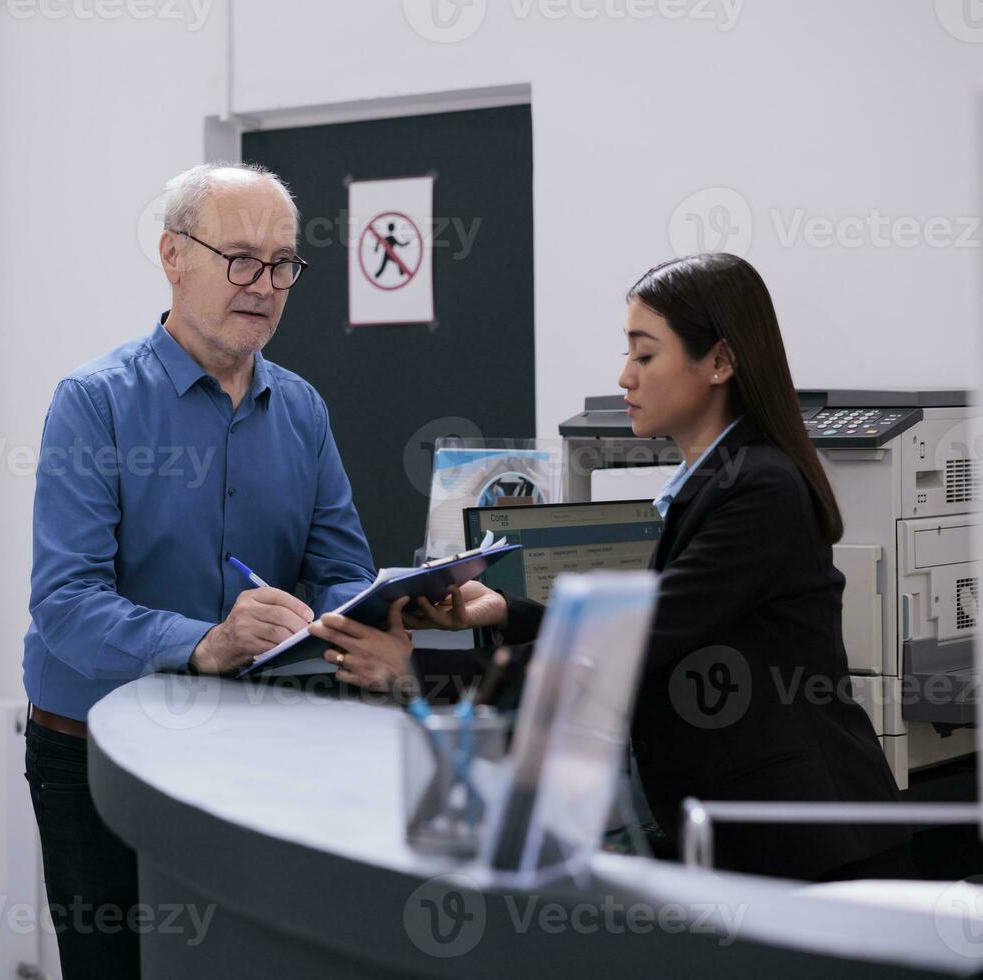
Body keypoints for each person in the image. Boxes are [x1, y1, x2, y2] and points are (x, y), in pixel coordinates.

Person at [310, 253, 913, 882]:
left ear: (721, 362)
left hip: (812, 845)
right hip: (759, 837)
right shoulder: (714, 484)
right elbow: (644, 627)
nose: (625, 377)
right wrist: (505, 612)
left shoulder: (758, 489)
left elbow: (621, 649)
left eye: (645, 355)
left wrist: (414, 669)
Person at [22, 162, 376, 978]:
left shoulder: (303, 409)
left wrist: (371, 610)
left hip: (251, 743)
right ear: (173, 256)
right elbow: (66, 605)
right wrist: (206, 642)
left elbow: (341, 570)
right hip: (93, 754)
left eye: (284, 264)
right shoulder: (95, 402)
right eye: (241, 258)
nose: (265, 285)